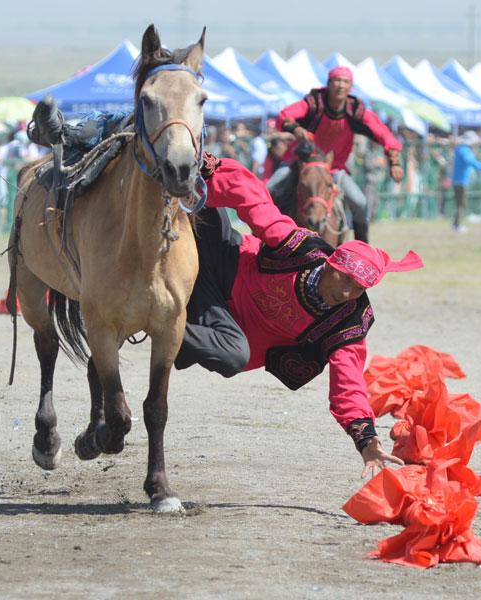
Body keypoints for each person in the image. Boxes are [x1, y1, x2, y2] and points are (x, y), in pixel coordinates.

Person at [174, 154, 423, 477]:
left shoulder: (348, 321)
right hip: (223, 257)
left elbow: (348, 383)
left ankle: (158, 324)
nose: (347, 293)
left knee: (233, 357)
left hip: (222, 319)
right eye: (345, 279)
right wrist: (207, 167)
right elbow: (255, 202)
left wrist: (365, 439)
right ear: (331, 263)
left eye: (359, 288)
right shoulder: (301, 248)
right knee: (193, 194)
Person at [267, 66, 405, 243]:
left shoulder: (356, 110)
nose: (340, 85)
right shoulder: (314, 102)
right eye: (336, 81)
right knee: (269, 189)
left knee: (360, 203)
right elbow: (284, 116)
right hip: (300, 164)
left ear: (350, 88)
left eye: (345, 82)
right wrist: (296, 128)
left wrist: (394, 161)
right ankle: (258, 243)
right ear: (329, 84)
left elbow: (382, 133)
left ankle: (362, 253)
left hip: (334, 169)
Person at [450, 130, 481, 232]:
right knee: (461, 203)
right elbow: (470, 161)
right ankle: (457, 225)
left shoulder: (460, 149)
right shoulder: (464, 150)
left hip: (458, 180)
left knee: (460, 203)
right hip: (460, 180)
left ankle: (455, 223)